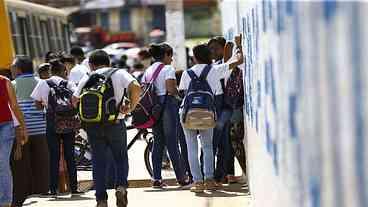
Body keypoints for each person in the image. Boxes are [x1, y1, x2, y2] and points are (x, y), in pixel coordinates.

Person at [72, 50, 141, 207]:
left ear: (91, 64)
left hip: (93, 126)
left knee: (98, 161)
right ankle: (121, 187)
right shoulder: (119, 73)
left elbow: (74, 100)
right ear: (108, 62)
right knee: (120, 158)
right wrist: (130, 107)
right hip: (115, 123)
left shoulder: (88, 76)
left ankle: (101, 199)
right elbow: (136, 87)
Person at [178, 35, 244, 193]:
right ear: (208, 55)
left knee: (191, 148)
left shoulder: (187, 73)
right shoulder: (215, 70)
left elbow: (182, 93)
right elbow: (238, 61)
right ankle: (209, 180)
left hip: (188, 114)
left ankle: (198, 182)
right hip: (207, 114)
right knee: (208, 148)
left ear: (194, 58)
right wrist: (238, 46)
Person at [142, 43, 190, 188]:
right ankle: (182, 178)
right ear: (166, 55)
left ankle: (156, 178)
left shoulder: (149, 70)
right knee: (172, 144)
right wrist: (179, 95)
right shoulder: (167, 68)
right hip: (168, 106)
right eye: (171, 56)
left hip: (153, 109)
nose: (172, 59)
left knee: (158, 144)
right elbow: (171, 88)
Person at [31, 60, 81, 197]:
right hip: (68, 123)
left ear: (51, 70)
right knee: (70, 155)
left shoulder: (43, 83)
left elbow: (37, 104)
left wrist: (47, 106)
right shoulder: (69, 84)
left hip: (52, 122)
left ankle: (53, 189)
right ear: (63, 71)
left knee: (54, 156)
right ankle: (74, 188)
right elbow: (76, 101)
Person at [10, 56, 49, 207]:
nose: (11, 69)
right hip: (41, 129)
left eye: (13, 67)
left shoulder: (12, 84)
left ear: (18, 69)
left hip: (21, 131)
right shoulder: (41, 82)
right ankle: (41, 191)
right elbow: (45, 106)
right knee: (40, 163)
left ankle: (21, 195)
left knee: (21, 166)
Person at [208, 36, 237, 185]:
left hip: (225, 108)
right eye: (210, 49)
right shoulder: (213, 66)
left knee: (223, 144)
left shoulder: (223, 65)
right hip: (216, 109)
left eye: (216, 48)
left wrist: (231, 47)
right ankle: (219, 175)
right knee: (218, 144)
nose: (213, 51)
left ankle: (223, 174)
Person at [0, 75, 28, 207]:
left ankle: (5, 202)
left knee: (2, 163)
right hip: (6, 126)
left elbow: (14, 106)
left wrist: (23, 128)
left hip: (6, 126)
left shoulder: (5, 81)